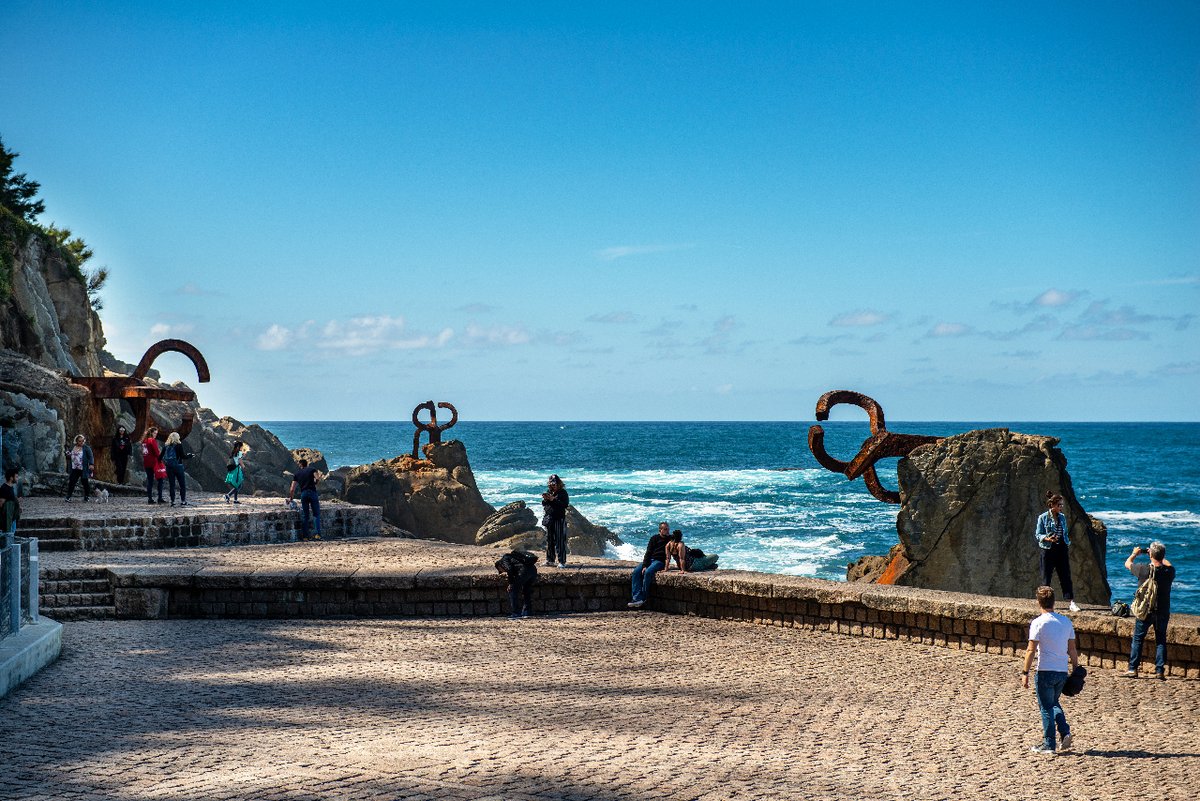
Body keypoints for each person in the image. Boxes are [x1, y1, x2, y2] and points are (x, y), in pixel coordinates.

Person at [1021, 585, 1079, 754]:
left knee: (1046, 707)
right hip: (1062, 671)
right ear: (1054, 602)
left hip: (1045, 670)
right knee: (1053, 703)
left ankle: (1049, 744)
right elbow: (1072, 649)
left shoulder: (1038, 623)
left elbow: (1031, 650)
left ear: (1038, 602)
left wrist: (1025, 672)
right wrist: (1075, 668)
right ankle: (1065, 731)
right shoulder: (1066, 622)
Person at [1122, 542, 1175, 680]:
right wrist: (1158, 555)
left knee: (1138, 639)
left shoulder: (1143, 569)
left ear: (1150, 555)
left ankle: (1133, 669)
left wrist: (1135, 553)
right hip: (1162, 611)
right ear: (1163, 555)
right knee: (1161, 640)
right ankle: (1159, 671)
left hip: (1145, 610)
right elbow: (1167, 564)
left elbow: (1127, 563)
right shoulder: (1169, 572)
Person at [1035, 492, 1080, 613]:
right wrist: (1048, 538)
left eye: (1062, 505)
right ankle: (1045, 604)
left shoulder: (1062, 517)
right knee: (1046, 577)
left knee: (1065, 575)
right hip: (1048, 549)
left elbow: (1064, 533)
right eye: (1059, 505)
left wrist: (1066, 543)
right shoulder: (1043, 517)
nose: (1061, 507)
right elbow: (1038, 534)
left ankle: (1071, 602)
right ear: (1052, 505)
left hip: (1061, 548)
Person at [629, 522, 671, 609]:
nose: (668, 531)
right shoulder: (654, 538)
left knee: (648, 572)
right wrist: (644, 565)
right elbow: (648, 552)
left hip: (660, 562)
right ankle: (636, 598)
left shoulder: (670, 539)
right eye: (665, 529)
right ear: (660, 530)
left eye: (668, 529)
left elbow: (679, 543)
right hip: (651, 560)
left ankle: (644, 597)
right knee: (637, 571)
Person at [495, 549, 539, 619]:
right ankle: (527, 612)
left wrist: (511, 584)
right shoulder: (514, 558)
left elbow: (509, 569)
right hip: (533, 571)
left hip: (524, 571)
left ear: (499, 566)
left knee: (512, 590)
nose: (503, 572)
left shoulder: (504, 559)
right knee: (526, 591)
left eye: (501, 571)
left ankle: (516, 613)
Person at [288, 458, 322, 541]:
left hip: (304, 494)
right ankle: (317, 535)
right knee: (316, 514)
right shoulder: (312, 469)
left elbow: (292, 489)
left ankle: (305, 536)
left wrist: (291, 498)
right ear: (307, 464)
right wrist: (315, 483)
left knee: (305, 516)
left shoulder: (297, 474)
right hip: (312, 493)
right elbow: (317, 478)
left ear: (300, 465)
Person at [541, 474, 569, 568]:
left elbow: (564, 505)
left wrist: (553, 500)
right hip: (550, 518)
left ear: (559, 484)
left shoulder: (563, 493)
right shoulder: (550, 492)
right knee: (550, 541)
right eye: (551, 484)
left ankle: (562, 561)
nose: (553, 486)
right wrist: (546, 499)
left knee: (560, 540)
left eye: (554, 484)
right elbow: (545, 504)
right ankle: (550, 560)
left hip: (559, 519)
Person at [161, 432, 190, 507]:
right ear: (177, 438)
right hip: (178, 467)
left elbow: (160, 457)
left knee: (172, 485)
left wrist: (166, 463)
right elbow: (183, 456)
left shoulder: (166, 446)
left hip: (169, 468)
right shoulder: (179, 445)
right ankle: (183, 501)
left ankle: (172, 501)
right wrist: (189, 456)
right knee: (182, 485)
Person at [64, 434, 95, 502]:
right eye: (79, 441)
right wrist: (67, 454)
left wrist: (91, 464)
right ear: (76, 441)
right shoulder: (73, 447)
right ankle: (68, 497)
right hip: (74, 468)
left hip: (83, 468)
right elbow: (69, 455)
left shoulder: (86, 448)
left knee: (85, 482)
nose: (81, 442)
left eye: (82, 441)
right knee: (72, 482)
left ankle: (86, 496)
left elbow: (91, 456)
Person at [140, 426, 164, 504]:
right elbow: (157, 453)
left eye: (156, 433)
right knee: (160, 480)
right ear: (151, 433)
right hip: (154, 463)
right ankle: (160, 498)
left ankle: (150, 499)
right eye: (154, 433)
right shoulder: (152, 440)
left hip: (146, 463)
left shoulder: (144, 441)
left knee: (150, 481)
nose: (155, 435)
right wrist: (161, 460)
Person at [0, 468, 20, 538]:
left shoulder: (11, 487)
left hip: (12, 516)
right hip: (8, 518)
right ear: (11, 478)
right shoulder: (4, 488)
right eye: (16, 477)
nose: (18, 478)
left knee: (12, 534)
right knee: (8, 535)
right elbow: (1, 503)